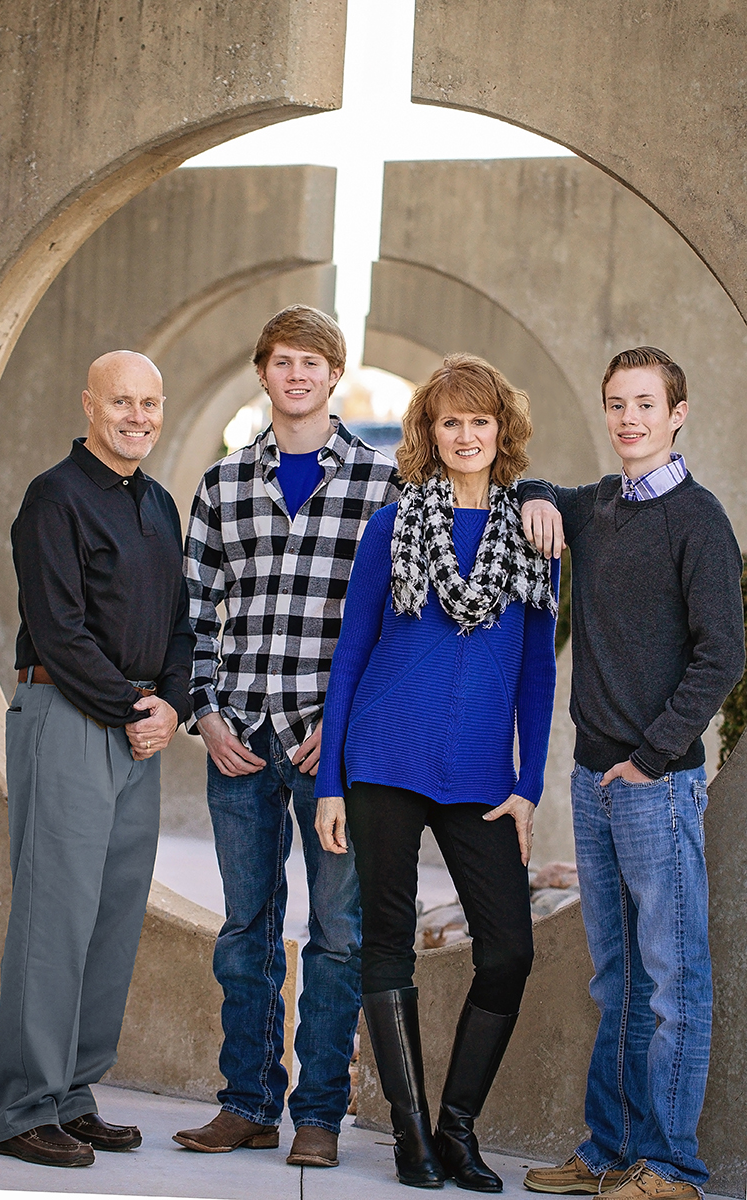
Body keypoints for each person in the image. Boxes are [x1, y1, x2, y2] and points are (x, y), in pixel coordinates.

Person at [315, 353, 559, 1191]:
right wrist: (328, 782)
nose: (465, 435)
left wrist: (527, 786)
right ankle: (411, 1133)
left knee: (508, 952)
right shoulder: (392, 527)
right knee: (386, 944)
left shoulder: (533, 536)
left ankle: (459, 1126)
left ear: (502, 431)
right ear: (428, 432)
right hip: (384, 756)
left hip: (484, 775)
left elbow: (537, 672)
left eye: (479, 421)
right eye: (449, 421)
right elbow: (351, 658)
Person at [174, 306, 400, 1169]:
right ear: (262, 373)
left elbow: (395, 624)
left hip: (328, 749)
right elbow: (194, 614)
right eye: (281, 362)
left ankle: (319, 1115)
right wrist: (206, 711)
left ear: (334, 373)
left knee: (338, 933)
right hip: (241, 741)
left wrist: (347, 731)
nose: (296, 375)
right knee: (246, 929)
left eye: (312, 362)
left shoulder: (383, 484)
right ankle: (246, 1103)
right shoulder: (224, 484)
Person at [518, 348, 745, 1200]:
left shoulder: (699, 520)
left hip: (657, 784)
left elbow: (724, 653)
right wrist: (541, 500)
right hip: (591, 782)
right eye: (617, 404)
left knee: (673, 983)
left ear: (677, 412)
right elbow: (531, 491)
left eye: (645, 404)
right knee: (617, 980)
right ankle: (611, 1153)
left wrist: (651, 759)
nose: (629, 419)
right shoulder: (599, 505)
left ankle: (674, 1167)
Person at [0, 351, 193, 1168]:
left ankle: (72, 1096)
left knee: (110, 919)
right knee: (54, 919)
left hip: (137, 725)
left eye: (150, 403)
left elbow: (180, 622)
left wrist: (169, 704)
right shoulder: (54, 498)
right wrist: (133, 708)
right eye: (121, 402)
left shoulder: (160, 504)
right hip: (69, 716)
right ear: (89, 405)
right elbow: (60, 627)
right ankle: (22, 1111)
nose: (136, 416)